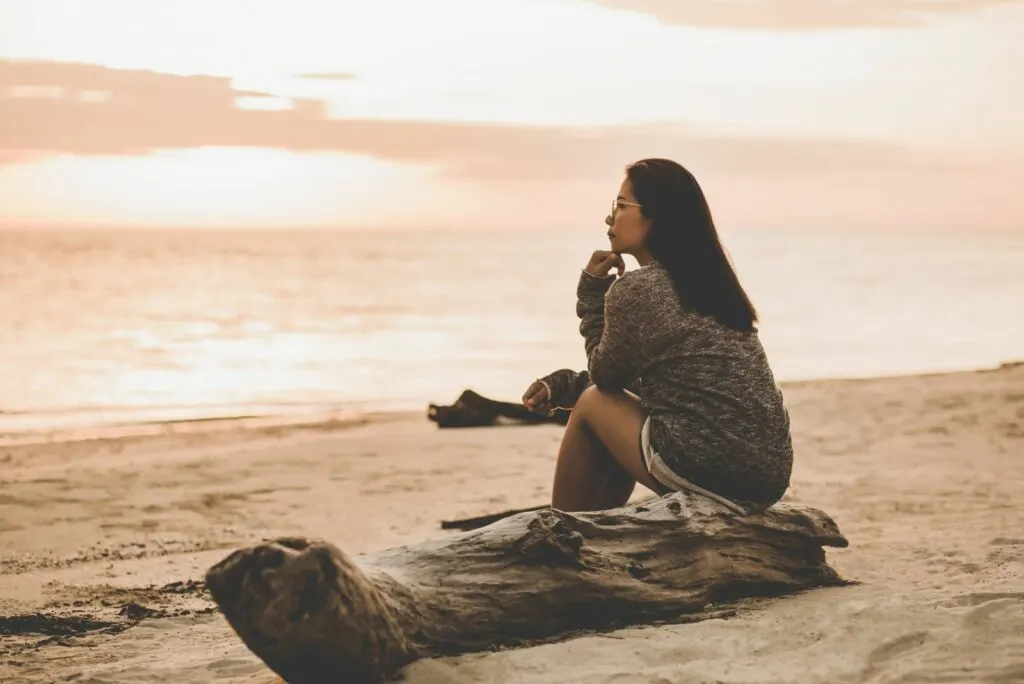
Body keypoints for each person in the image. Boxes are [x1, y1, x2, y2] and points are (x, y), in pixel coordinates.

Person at [521, 158, 793, 515]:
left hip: (713, 466)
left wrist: (592, 293)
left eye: (620, 206)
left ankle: (563, 533)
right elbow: (654, 383)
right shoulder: (712, 284)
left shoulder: (639, 289)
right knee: (610, 404)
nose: (609, 218)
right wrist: (563, 385)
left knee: (591, 404)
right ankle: (593, 530)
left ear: (657, 215)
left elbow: (605, 379)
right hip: (769, 474)